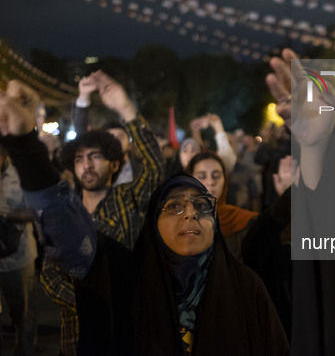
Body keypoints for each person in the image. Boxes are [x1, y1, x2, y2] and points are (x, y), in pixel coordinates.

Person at [0, 80, 289, 356]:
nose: (190, 212)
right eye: (174, 206)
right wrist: (26, 145)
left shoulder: (247, 288)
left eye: (202, 206)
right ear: (152, 225)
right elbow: (68, 235)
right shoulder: (131, 282)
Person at [45, 71, 164, 355]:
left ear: (113, 164)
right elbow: (49, 275)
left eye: (95, 157)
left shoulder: (129, 200)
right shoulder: (63, 214)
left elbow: (155, 168)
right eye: (79, 159)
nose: (86, 165)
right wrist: (89, 299)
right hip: (76, 338)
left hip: (126, 333)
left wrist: (126, 109)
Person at [187, 151, 292, 335]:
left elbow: (276, 238)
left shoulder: (245, 221)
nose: (210, 182)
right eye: (201, 176)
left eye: (216, 175)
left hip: (241, 315)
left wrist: (287, 198)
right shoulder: (180, 225)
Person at [0, 144, 38, 356]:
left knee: (24, 316)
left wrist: (4, 215)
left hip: (19, 259)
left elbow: (35, 211)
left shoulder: (23, 174)